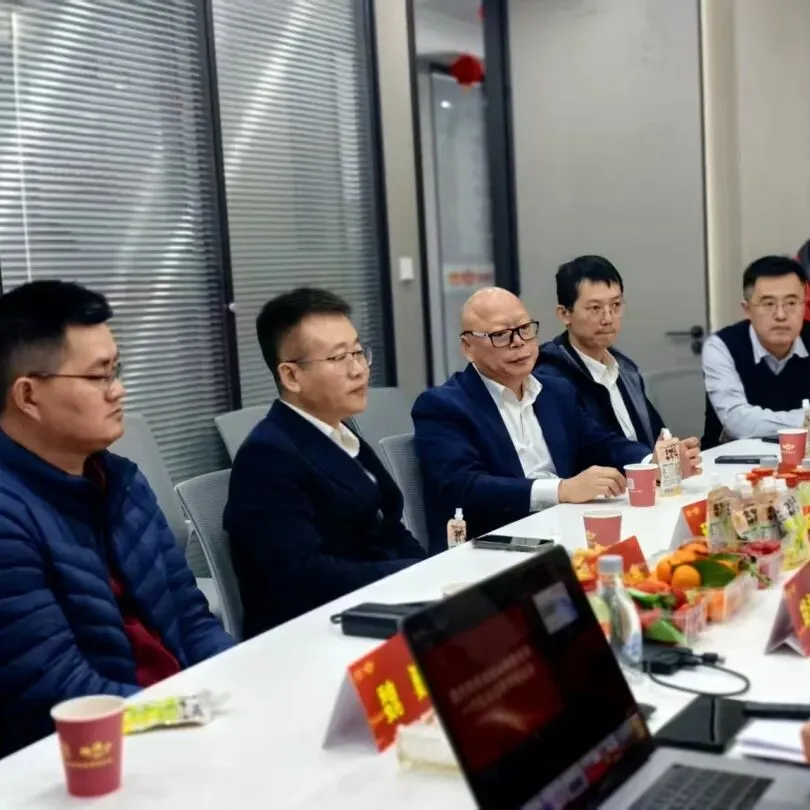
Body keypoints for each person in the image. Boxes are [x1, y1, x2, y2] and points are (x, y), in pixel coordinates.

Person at [0, 281, 233, 758]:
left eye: (116, 371)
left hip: (179, 719)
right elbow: (60, 691)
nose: (118, 390)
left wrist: (243, 680)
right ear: (28, 395)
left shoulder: (121, 480)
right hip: (95, 755)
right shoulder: (9, 515)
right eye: (99, 377)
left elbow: (191, 620)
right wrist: (192, 715)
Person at [412, 288, 701, 552]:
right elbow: (465, 488)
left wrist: (652, 464)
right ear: (468, 347)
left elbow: (601, 444)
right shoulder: (443, 406)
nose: (518, 343)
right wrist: (561, 491)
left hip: (562, 527)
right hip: (491, 545)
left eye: (525, 329)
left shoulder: (555, 392)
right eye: (500, 335)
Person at [224, 288, 425, 638]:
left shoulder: (339, 432)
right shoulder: (268, 457)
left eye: (358, 353)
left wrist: (431, 572)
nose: (358, 370)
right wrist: (412, 574)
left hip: (376, 607)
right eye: (338, 358)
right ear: (291, 376)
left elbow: (390, 524)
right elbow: (306, 578)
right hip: (314, 633)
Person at [537, 255, 665, 449]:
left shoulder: (625, 369)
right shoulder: (550, 376)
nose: (608, 318)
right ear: (564, 314)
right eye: (595, 308)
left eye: (615, 305)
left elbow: (657, 436)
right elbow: (588, 449)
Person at [702, 256, 810, 447]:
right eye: (768, 304)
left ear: (804, 306)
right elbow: (738, 422)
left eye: (791, 303)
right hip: (729, 459)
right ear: (747, 309)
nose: (780, 315)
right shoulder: (721, 346)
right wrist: (806, 419)